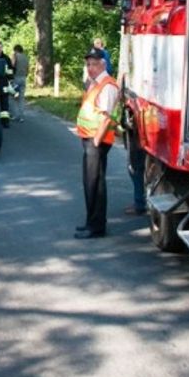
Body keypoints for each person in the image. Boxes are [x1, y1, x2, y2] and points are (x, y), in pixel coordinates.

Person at [74, 48, 121, 239]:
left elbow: (107, 117)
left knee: (95, 184)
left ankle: (96, 226)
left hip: (97, 141)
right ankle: (90, 222)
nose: (90, 68)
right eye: (88, 64)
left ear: (103, 64)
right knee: (90, 182)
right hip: (90, 139)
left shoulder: (107, 85)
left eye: (93, 64)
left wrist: (95, 141)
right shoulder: (95, 83)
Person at [11, 44, 29, 122]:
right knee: (21, 98)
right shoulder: (26, 57)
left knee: (12, 96)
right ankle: (22, 116)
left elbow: (12, 65)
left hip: (16, 78)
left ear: (15, 50)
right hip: (23, 78)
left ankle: (15, 115)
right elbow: (28, 69)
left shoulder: (15, 55)